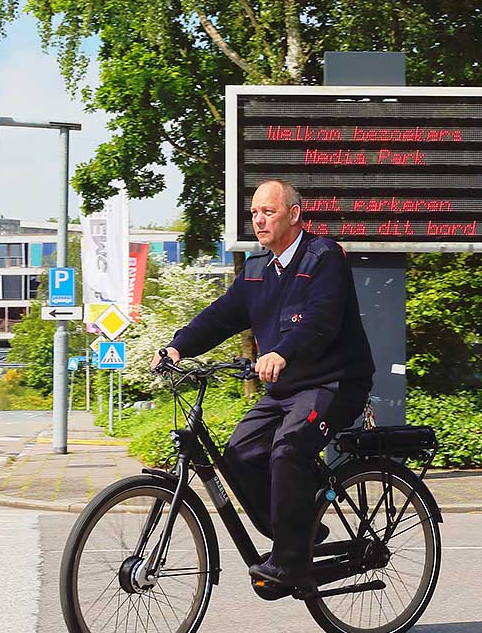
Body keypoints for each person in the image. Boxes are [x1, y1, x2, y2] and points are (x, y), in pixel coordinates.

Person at [150, 179, 374, 590]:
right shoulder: (256, 269)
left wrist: (281, 353)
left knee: (288, 450)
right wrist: (177, 348)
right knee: (238, 453)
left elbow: (321, 322)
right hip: (288, 388)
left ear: (294, 213)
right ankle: (299, 531)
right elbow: (221, 316)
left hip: (334, 382)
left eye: (267, 211)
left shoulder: (324, 258)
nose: (258, 220)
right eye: (254, 213)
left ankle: (291, 563)